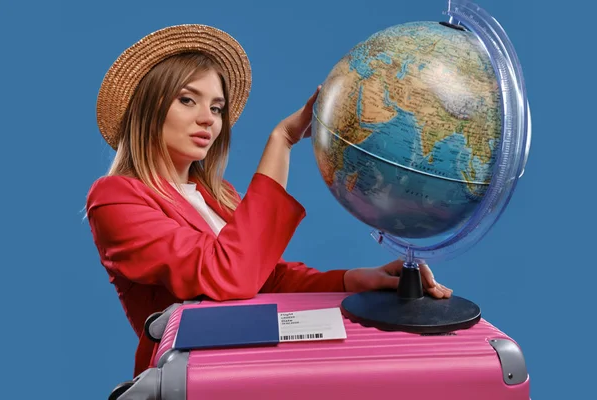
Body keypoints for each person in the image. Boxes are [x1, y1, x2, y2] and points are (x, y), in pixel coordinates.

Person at [85, 24, 453, 378]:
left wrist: (355, 279)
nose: (208, 120)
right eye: (187, 100)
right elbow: (229, 275)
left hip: (256, 369)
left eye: (216, 108)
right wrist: (282, 139)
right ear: (147, 110)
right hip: (191, 380)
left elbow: (269, 277)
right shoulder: (115, 196)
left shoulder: (220, 195)